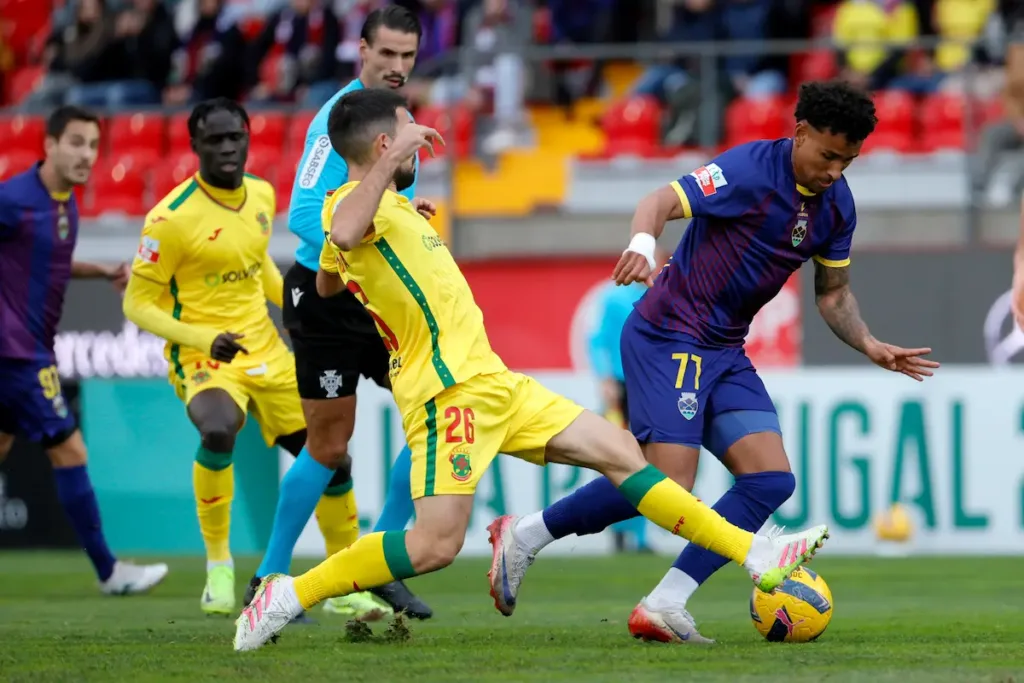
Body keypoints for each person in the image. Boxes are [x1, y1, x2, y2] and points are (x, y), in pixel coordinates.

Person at [232, 88, 831, 652]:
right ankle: (288, 594)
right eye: (406, 126)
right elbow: (337, 233)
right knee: (435, 544)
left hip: (494, 383)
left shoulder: (390, 210)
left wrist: (386, 231)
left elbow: (329, 279)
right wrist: (381, 199)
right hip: (449, 396)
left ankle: (756, 555)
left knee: (625, 454)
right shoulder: (350, 205)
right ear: (383, 146)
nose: (419, 133)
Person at [493, 80, 941, 644]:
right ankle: (526, 535)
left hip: (725, 349)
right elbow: (658, 202)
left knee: (770, 481)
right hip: (669, 335)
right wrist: (639, 243)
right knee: (670, 481)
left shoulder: (837, 205)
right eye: (828, 156)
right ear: (800, 133)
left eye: (847, 161)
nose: (834, 171)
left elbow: (832, 293)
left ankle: (664, 603)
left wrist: (870, 342)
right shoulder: (750, 170)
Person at [122, 98, 356, 618]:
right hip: (205, 356)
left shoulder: (262, 196)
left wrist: (301, 318)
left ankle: (347, 579)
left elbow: (259, 273)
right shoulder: (169, 218)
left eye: (236, 137)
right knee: (218, 428)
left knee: (333, 458)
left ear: (249, 138)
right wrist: (202, 339)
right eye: (215, 139)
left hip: (266, 352)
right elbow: (136, 302)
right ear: (195, 146)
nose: (228, 148)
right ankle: (219, 566)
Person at [247, 4, 430, 621]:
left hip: (376, 294)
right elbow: (303, 218)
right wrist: (370, 225)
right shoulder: (338, 117)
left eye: (408, 56)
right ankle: (270, 575)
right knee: (328, 445)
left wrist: (407, 214)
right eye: (388, 54)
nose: (398, 67)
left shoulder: (404, 124)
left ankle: (376, 560)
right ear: (362, 50)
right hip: (324, 296)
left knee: (430, 417)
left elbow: (377, 210)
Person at [0, 105, 168, 595]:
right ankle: (109, 572)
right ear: (48, 145)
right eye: (75, 142)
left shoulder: (64, 203)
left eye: (93, 146)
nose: (86, 155)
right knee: (70, 449)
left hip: (25, 349)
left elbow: (49, 261)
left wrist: (101, 271)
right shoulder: (13, 199)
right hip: (18, 354)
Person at [587, 248, 669, 554]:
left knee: (648, 458)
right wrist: (604, 377)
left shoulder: (663, 296)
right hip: (623, 387)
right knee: (623, 456)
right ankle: (623, 529)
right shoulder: (615, 297)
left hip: (650, 386)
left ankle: (639, 532)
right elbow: (597, 341)